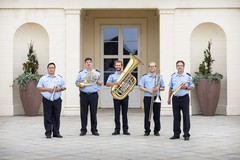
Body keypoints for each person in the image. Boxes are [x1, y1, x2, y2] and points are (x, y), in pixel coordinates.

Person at [37, 62, 66, 139]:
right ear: (47, 69)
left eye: (53, 68)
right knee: (47, 116)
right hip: (47, 100)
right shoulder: (43, 78)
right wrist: (47, 89)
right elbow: (39, 87)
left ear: (55, 69)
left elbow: (64, 86)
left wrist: (60, 89)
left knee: (56, 116)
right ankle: (48, 133)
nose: (51, 69)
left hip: (57, 100)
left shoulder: (59, 78)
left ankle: (56, 132)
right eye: (50, 68)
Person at [167, 60, 194, 141]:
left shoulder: (187, 76)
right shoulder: (173, 76)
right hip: (175, 98)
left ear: (183, 67)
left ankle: (186, 134)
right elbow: (170, 88)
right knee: (176, 116)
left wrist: (185, 87)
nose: (179, 67)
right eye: (178, 65)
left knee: (186, 116)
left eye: (181, 65)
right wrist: (169, 98)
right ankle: (176, 134)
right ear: (176, 67)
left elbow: (192, 87)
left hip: (184, 98)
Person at [75, 57, 103, 136]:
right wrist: (80, 85)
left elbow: (100, 84)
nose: (88, 63)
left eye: (90, 62)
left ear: (92, 63)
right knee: (83, 113)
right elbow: (76, 83)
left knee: (93, 113)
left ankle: (94, 130)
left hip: (93, 95)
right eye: (87, 62)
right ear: (85, 64)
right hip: (84, 94)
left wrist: (97, 80)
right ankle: (83, 130)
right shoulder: (81, 73)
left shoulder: (97, 73)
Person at [139, 62, 165, 136]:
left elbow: (163, 87)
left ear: (155, 67)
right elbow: (141, 87)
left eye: (153, 66)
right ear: (148, 67)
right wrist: (148, 90)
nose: (152, 68)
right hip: (147, 97)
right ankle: (147, 130)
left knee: (157, 115)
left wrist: (158, 89)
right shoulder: (144, 77)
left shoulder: (159, 77)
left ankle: (156, 130)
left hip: (157, 97)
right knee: (147, 114)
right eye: (150, 66)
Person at [106, 60, 131, 136]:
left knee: (125, 114)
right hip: (116, 96)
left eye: (119, 65)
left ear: (121, 66)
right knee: (116, 114)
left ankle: (125, 130)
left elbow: (130, 85)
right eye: (117, 65)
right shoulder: (112, 76)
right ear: (114, 66)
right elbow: (107, 84)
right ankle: (117, 130)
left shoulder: (126, 75)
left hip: (125, 96)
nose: (118, 66)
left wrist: (128, 88)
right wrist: (115, 83)